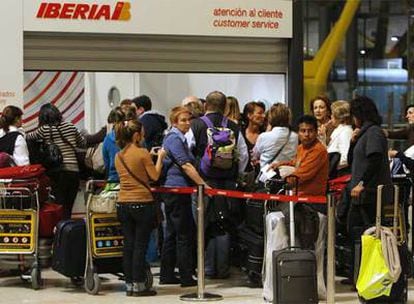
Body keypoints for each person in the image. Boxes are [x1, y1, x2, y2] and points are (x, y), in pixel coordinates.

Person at [188, 90, 248, 279]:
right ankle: (222, 269)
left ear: (206, 105)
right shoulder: (233, 127)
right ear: (225, 107)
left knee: (203, 225)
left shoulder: (195, 125)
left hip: (203, 182)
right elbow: (243, 155)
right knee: (223, 224)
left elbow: (188, 150)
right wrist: (235, 175)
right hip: (227, 184)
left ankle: (206, 269)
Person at [343, 95, 392, 286]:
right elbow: (352, 160)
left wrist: (362, 183)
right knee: (356, 232)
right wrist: (353, 142)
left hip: (370, 195)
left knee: (367, 234)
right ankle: (358, 273)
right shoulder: (364, 133)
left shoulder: (373, 133)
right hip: (361, 194)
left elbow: (374, 159)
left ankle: (367, 274)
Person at [114, 119, 166, 297]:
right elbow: (155, 176)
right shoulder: (142, 153)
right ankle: (139, 285)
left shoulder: (119, 155)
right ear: (136, 136)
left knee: (128, 245)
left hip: (123, 204)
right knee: (140, 246)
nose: (143, 136)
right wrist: (159, 158)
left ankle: (129, 284)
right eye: (142, 133)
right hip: (142, 203)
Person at [159, 106, 209, 287]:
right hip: (177, 192)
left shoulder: (177, 138)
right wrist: (203, 184)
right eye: (183, 120)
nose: (187, 123)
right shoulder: (174, 139)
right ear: (174, 122)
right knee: (184, 234)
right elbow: (186, 165)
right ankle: (186, 276)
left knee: (172, 233)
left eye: (189, 120)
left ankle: (167, 274)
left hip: (174, 192)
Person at [27, 103, 85, 219]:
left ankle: (60, 232)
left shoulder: (44, 129)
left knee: (59, 205)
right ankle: (68, 231)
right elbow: (82, 142)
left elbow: (28, 137)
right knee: (69, 207)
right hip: (73, 171)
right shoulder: (70, 126)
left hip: (57, 172)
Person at [269, 115, 329, 198]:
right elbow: (296, 163)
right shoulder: (301, 147)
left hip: (310, 199)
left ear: (316, 132)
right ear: (298, 133)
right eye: (303, 131)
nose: (306, 134)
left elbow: (301, 175)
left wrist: (280, 181)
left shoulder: (318, 150)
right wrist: (279, 164)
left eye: (310, 131)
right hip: (297, 194)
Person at [253, 103, 298, 170]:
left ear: (271, 118)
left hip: (267, 175)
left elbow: (255, 155)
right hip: (288, 175)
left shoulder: (263, 136)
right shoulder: (295, 136)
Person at [103, 106, 136, 183]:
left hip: (114, 180)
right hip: (133, 181)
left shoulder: (107, 139)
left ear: (112, 123)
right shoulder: (135, 137)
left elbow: (107, 164)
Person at [327, 100, 353, 172]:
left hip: (337, 175)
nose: (331, 117)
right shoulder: (338, 130)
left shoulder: (346, 131)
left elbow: (345, 158)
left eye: (332, 114)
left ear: (339, 117)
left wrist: (333, 168)